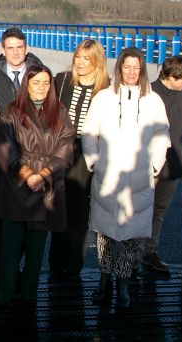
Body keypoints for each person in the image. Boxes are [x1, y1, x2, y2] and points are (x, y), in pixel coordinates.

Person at [82, 47, 170, 308]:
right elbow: (89, 132)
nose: (131, 72)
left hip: (140, 178)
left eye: (136, 67)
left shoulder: (153, 100)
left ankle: (123, 283)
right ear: (119, 68)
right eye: (126, 67)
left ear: (142, 70)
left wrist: (154, 166)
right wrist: (94, 161)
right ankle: (104, 279)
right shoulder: (104, 98)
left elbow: (162, 134)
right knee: (106, 235)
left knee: (132, 237)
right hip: (107, 176)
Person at [0, 65, 74, 305]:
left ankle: (29, 293)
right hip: (17, 185)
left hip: (45, 186)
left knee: (36, 249)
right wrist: (28, 174)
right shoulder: (13, 111)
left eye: (46, 83)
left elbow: (66, 147)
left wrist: (44, 175)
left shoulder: (60, 111)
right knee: (9, 249)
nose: (41, 87)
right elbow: (4, 147)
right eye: (36, 82)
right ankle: (5, 293)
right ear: (26, 85)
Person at [0, 27, 43, 285]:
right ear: (2, 50)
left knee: (26, 217)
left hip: (31, 156)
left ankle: (18, 268)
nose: (16, 52)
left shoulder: (40, 75)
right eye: (10, 48)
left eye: (20, 47)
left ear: (26, 48)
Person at [48, 38, 110, 279]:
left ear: (97, 62)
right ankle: (56, 262)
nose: (81, 63)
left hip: (88, 152)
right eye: (78, 58)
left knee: (80, 211)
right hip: (61, 150)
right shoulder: (62, 81)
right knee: (58, 207)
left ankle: (74, 264)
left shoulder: (107, 89)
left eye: (87, 59)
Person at [144, 56, 182, 274]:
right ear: (169, 75)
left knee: (159, 211)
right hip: (146, 165)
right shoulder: (147, 93)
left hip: (173, 165)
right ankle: (130, 255)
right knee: (138, 211)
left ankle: (150, 252)